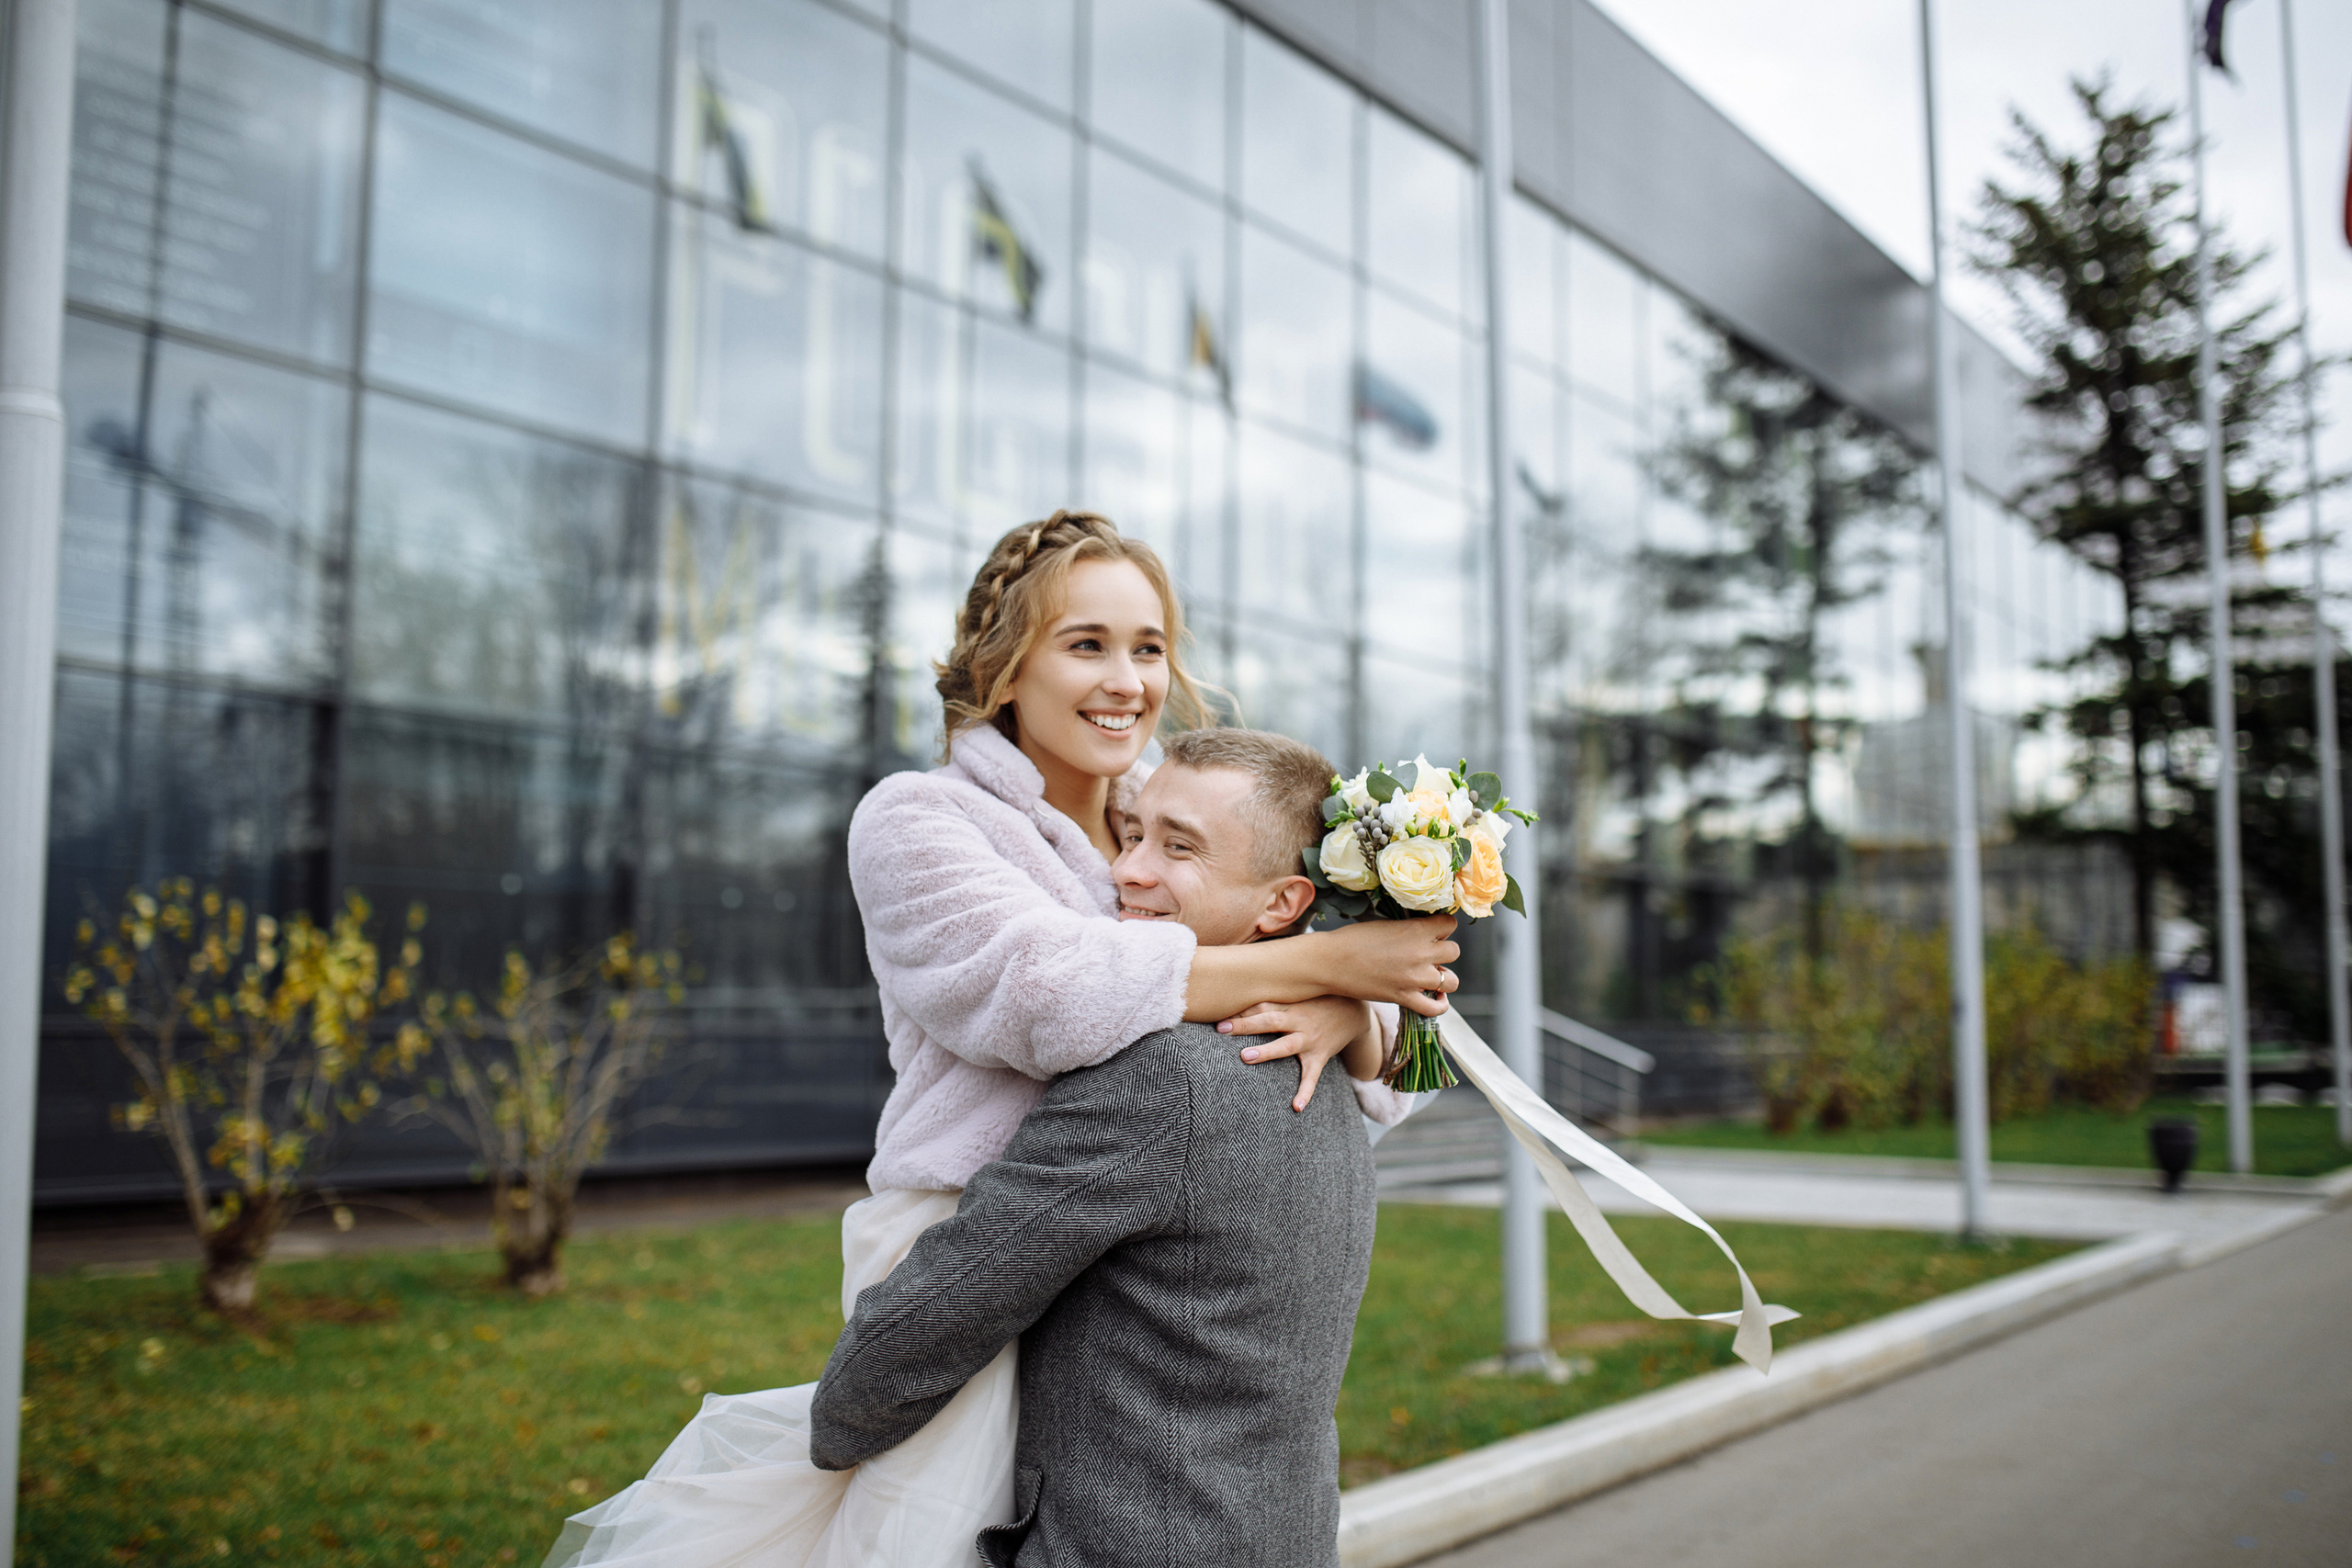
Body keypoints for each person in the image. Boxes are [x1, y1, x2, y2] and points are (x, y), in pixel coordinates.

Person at [544, 513, 1454, 1568]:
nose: (1127, 681)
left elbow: (1415, 1041)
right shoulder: (920, 819)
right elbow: (1048, 993)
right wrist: (1320, 966)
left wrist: (1352, 1007)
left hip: (1138, 1249)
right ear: (1004, 665)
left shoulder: (1167, 808)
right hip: (972, 1240)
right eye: (1086, 644)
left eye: (1149, 648)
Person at [808, 728, 1379, 1568]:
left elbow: (937, 1314)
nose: (1127, 869)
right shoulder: (1330, 1065)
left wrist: (834, 1431)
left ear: (1283, 904)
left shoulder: (1161, 1073)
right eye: (1134, 833)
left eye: (1179, 847)